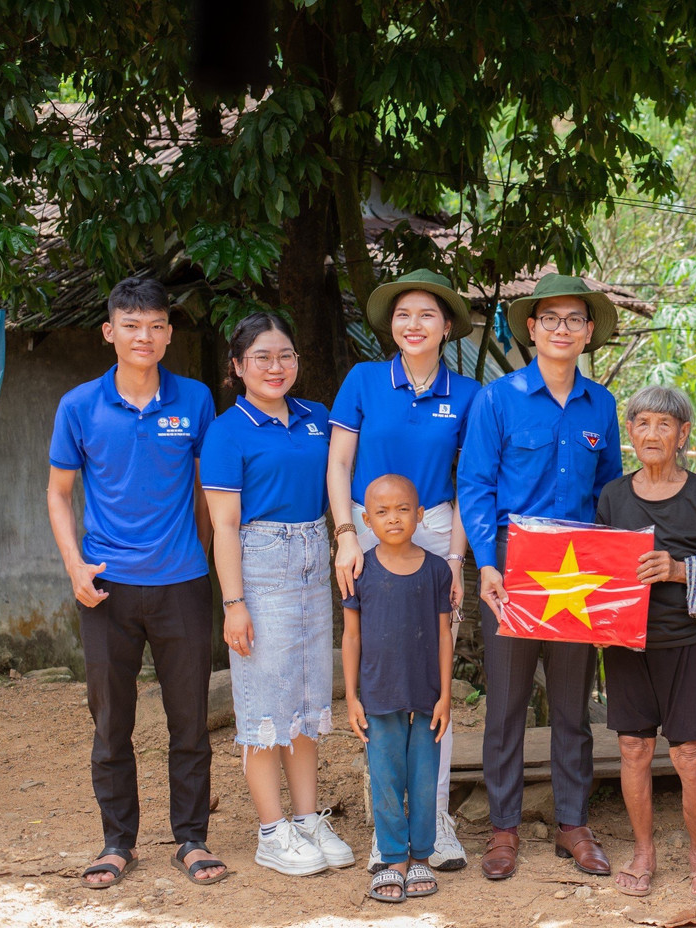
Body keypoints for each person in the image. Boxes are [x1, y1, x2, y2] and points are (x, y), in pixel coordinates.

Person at [46, 277, 227, 887]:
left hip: (182, 583)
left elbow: (207, 489)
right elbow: (59, 492)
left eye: (155, 325)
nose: (143, 336)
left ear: (169, 334)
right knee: (111, 719)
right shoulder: (79, 405)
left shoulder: (196, 399)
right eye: (131, 325)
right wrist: (74, 564)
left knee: (189, 718)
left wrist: (193, 552)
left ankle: (192, 839)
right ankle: (116, 841)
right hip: (105, 586)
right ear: (110, 332)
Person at [458, 272, 624, 881]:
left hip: (579, 567)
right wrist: (488, 562)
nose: (561, 329)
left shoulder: (600, 404)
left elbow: (610, 492)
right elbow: (474, 484)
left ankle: (572, 823)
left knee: (573, 706)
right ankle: (503, 830)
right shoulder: (496, 399)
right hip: (513, 564)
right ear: (531, 329)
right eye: (549, 318)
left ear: (587, 334)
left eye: (573, 320)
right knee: (504, 704)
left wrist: (615, 571)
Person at [327, 268, 478, 872]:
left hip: (437, 532)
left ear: (446, 327)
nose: (413, 325)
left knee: (428, 675)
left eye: (427, 315)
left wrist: (457, 558)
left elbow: (471, 483)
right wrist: (344, 536)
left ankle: (434, 821)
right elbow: (340, 464)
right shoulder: (364, 380)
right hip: (367, 528)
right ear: (391, 325)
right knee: (380, 669)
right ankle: (386, 829)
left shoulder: (466, 395)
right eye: (403, 315)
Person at [199, 313, 353, 876]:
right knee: (265, 703)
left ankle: (307, 820)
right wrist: (234, 604)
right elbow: (224, 526)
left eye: (285, 355)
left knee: (308, 702)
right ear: (238, 367)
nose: (275, 367)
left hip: (315, 558)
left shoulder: (316, 417)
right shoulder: (227, 429)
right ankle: (271, 831)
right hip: (260, 564)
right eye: (261, 357)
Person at [597, 385, 696, 900]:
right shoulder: (614, 496)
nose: (652, 433)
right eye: (642, 423)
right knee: (634, 748)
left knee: (689, 754)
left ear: (683, 434)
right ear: (631, 433)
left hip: (687, 639)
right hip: (625, 643)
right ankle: (643, 853)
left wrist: (679, 569)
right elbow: (595, 567)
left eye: (664, 424)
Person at [342, 475, 454, 903]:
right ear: (367, 520)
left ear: (420, 515)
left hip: (427, 694)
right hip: (378, 692)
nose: (394, 518)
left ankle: (422, 854)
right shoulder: (361, 569)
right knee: (386, 777)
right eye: (383, 512)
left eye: (403, 509)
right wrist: (352, 696)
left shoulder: (436, 569)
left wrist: (445, 695)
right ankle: (393, 858)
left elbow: (444, 634)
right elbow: (351, 638)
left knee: (424, 778)